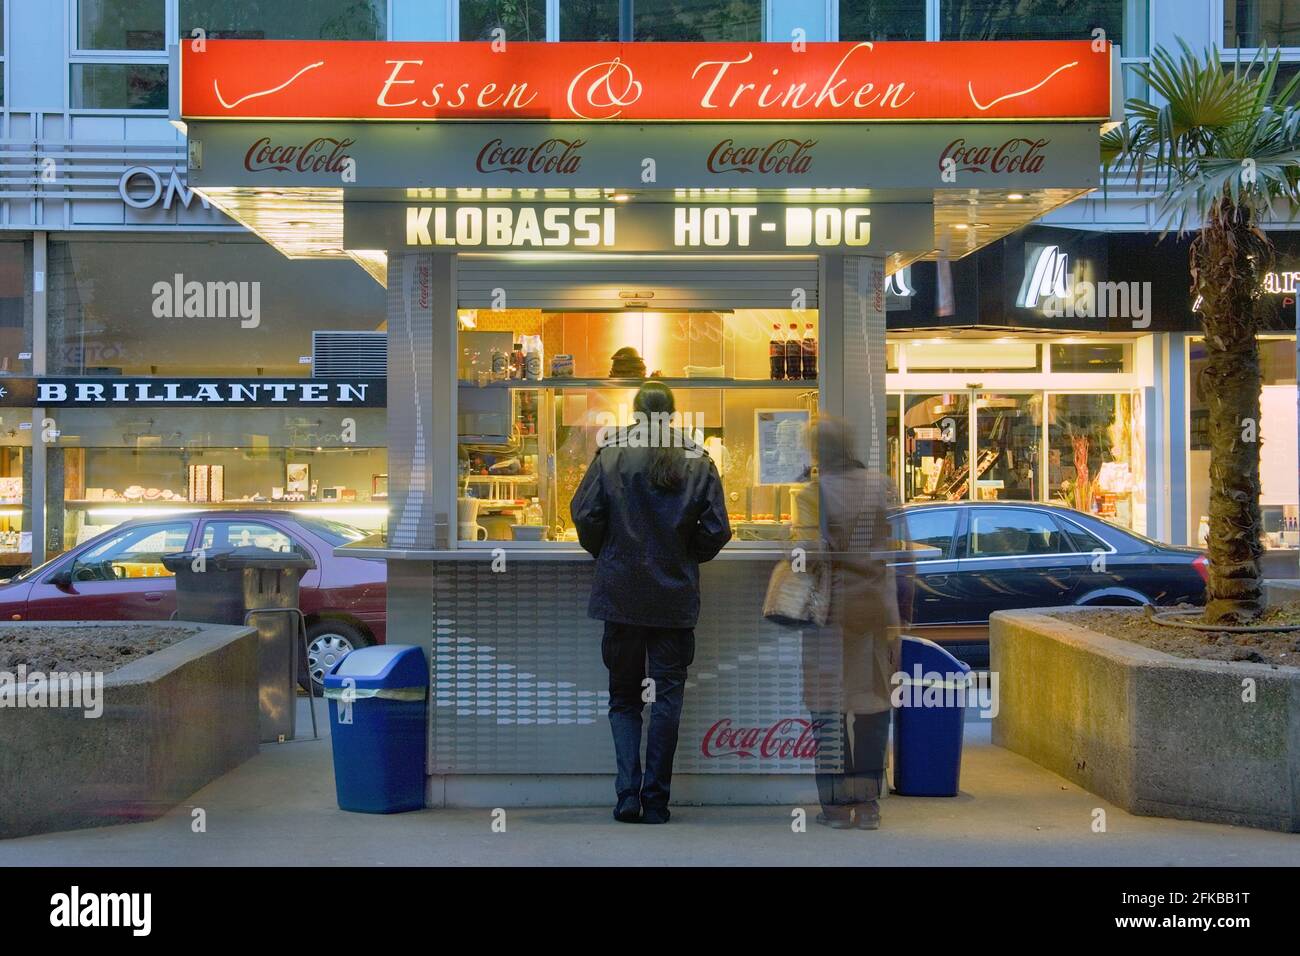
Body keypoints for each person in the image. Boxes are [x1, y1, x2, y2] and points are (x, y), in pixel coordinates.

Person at [571, 381, 732, 824]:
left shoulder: (612, 454)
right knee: (667, 698)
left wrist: (608, 552)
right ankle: (657, 801)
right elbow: (717, 530)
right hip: (673, 599)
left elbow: (585, 515)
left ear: (636, 412)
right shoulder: (699, 459)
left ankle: (627, 796)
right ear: (674, 414)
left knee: (624, 698)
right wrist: (684, 554)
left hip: (621, 595)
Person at [799, 415, 913, 830]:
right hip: (877, 608)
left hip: (831, 615)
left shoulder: (814, 493)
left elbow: (808, 552)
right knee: (872, 708)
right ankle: (868, 807)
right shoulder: (882, 485)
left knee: (826, 708)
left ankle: (835, 807)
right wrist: (903, 613)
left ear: (817, 452)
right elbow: (903, 549)